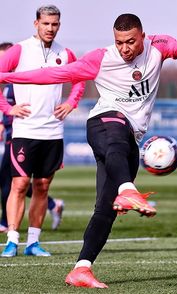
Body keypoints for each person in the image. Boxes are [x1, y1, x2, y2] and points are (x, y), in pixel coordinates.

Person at [0, 13, 177, 288]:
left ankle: (81, 268)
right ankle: (127, 190)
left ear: (143, 37)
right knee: (118, 133)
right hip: (103, 123)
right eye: (119, 42)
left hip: (128, 138)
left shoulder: (158, 47)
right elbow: (53, 74)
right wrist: (5, 76)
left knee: (104, 210)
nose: (124, 49)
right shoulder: (101, 58)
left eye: (131, 42)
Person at [0, 5, 84, 257]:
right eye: (46, 23)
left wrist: (71, 102)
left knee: (42, 186)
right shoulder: (19, 50)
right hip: (25, 130)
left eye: (55, 24)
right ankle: (12, 239)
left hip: (53, 132)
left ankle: (33, 243)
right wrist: (7, 108)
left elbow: (80, 78)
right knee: (19, 183)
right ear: (36, 23)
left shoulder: (65, 53)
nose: (50, 28)